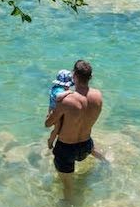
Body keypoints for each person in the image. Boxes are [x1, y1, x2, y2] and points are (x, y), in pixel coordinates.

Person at [45, 59, 104, 196]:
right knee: (91, 151)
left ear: (74, 76)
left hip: (66, 150)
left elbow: (48, 124)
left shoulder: (66, 101)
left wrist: (51, 109)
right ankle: (106, 162)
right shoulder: (98, 96)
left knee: (68, 189)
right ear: (90, 77)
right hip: (86, 145)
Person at [47, 69, 74, 150]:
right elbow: (59, 97)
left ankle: (54, 140)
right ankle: (50, 141)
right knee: (57, 128)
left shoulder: (55, 88)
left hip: (53, 109)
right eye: (68, 85)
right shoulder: (59, 90)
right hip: (55, 112)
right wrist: (68, 92)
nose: (69, 87)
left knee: (58, 129)